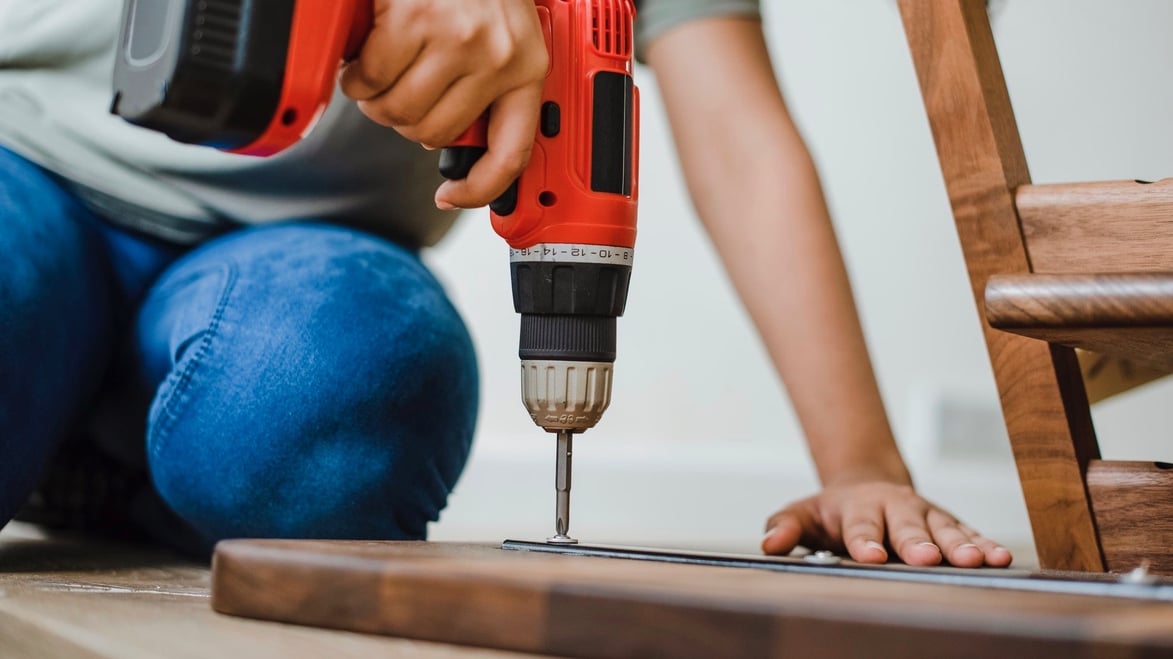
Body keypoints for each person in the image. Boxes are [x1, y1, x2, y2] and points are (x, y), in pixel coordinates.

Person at [0, 0, 1011, 568]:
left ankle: (90, 450)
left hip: (296, 253)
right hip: (24, 153)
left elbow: (741, 141)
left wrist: (862, 462)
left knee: (343, 390)